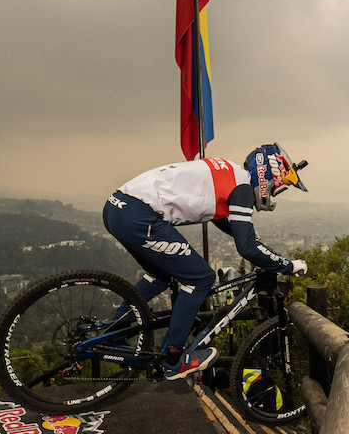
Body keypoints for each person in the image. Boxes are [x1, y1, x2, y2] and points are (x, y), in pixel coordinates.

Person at [102, 144, 308, 380]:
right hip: (140, 215)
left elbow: (218, 216)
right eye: (277, 186)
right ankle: (173, 359)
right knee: (201, 278)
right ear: (266, 177)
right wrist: (288, 265)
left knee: (163, 275)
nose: (273, 193)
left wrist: (247, 234)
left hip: (118, 207)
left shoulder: (230, 172)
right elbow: (247, 248)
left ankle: (114, 331)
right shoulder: (241, 189)